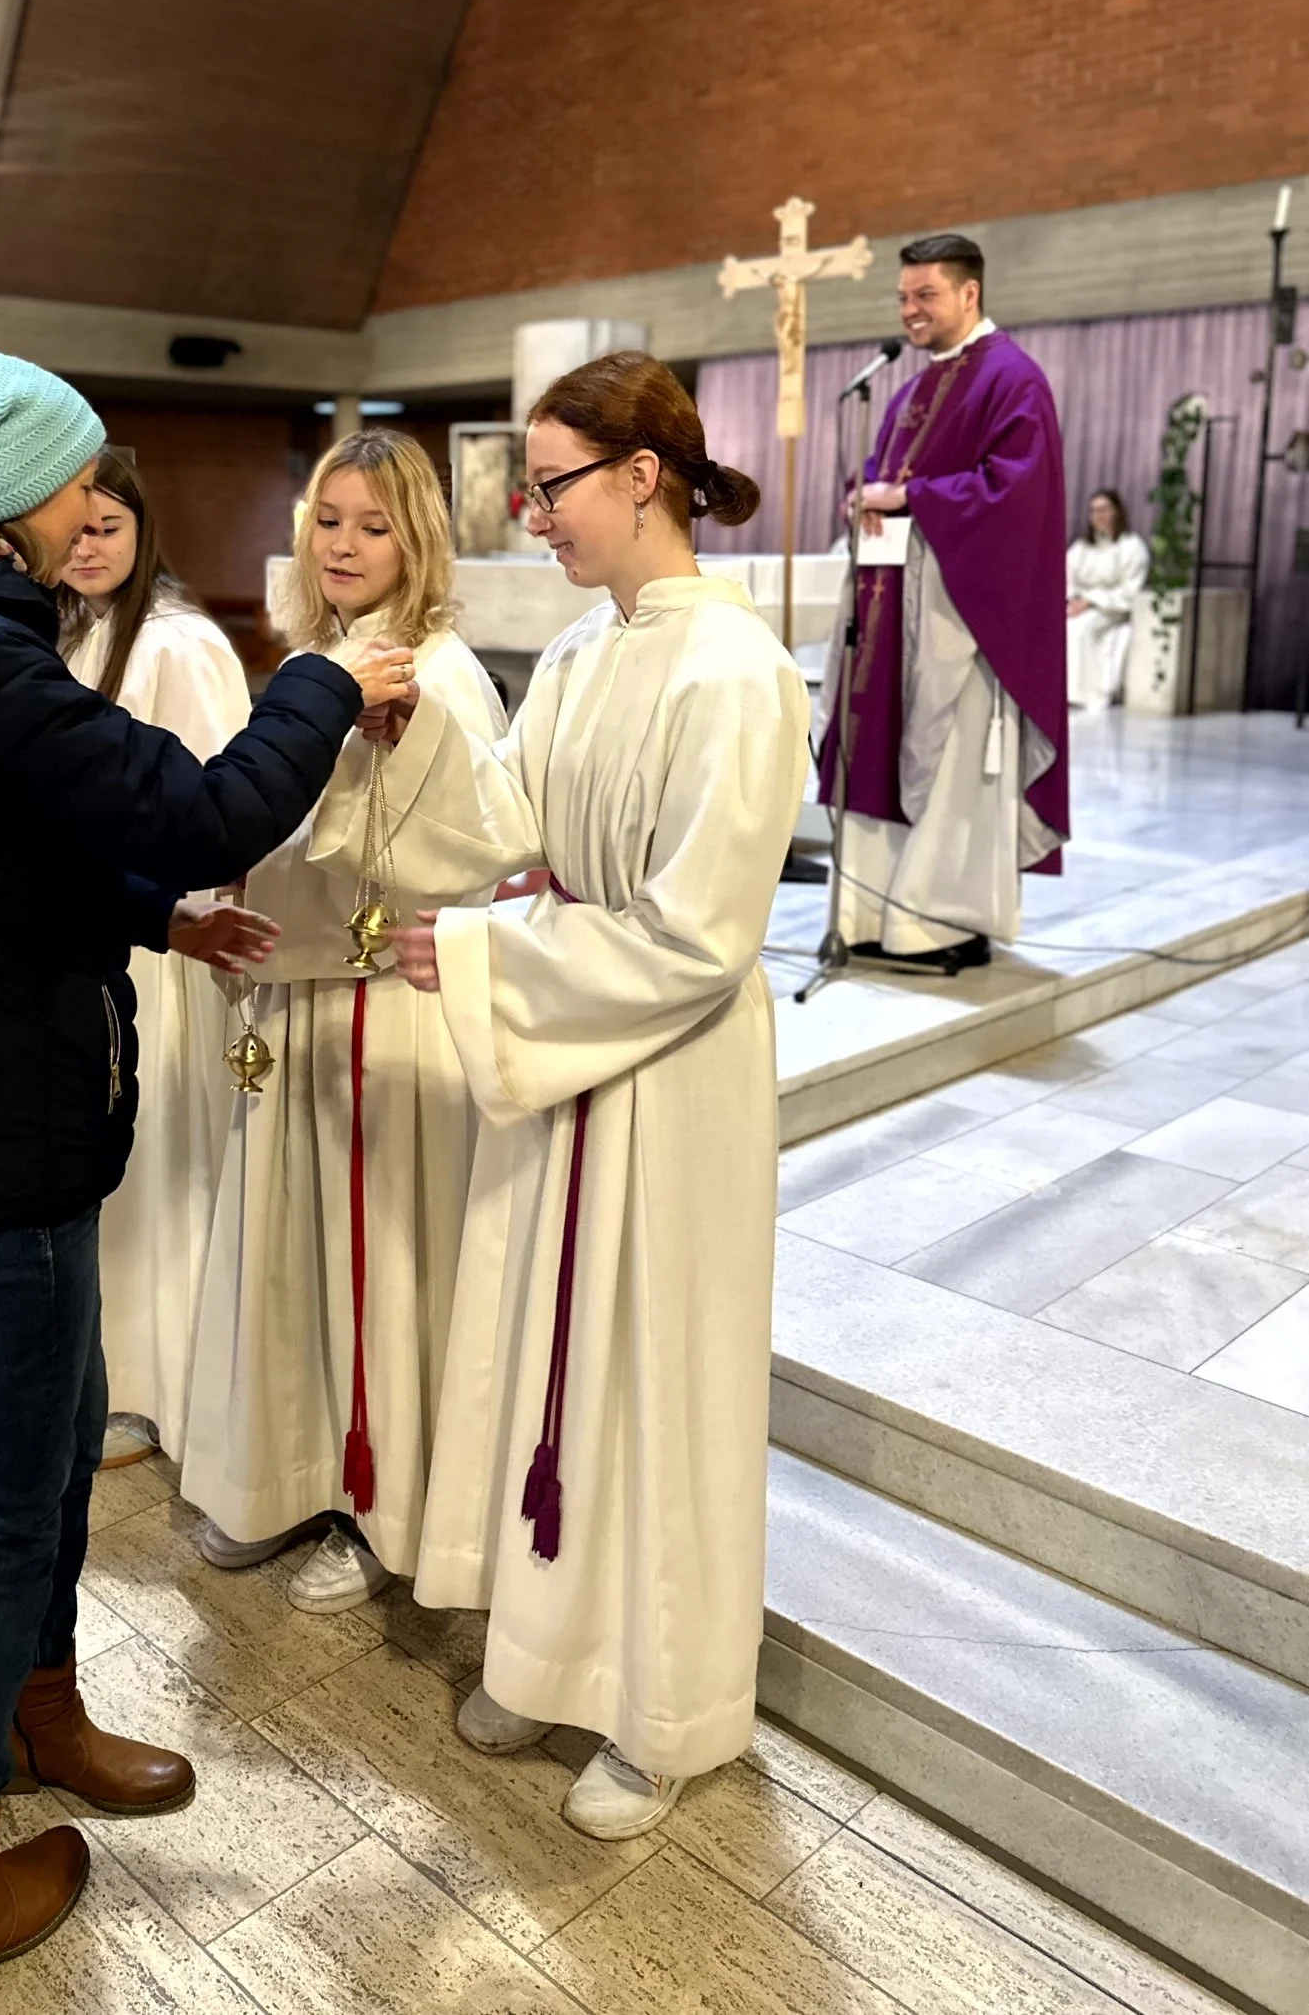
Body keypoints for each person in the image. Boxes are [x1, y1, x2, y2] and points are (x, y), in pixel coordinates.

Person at [0, 349, 412, 2013]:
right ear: (14, 485)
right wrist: (323, 681)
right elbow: (197, 807)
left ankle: (34, 1715)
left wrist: (152, 922)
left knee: (59, 1455)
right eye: (75, 475)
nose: (91, 506)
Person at [394, 351, 808, 1844]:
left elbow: (699, 937)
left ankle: (664, 1714)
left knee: (655, 1376)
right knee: (550, 1356)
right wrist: (395, 739)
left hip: (668, 1063)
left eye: (551, 483)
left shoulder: (737, 670)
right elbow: (501, 817)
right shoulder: (580, 650)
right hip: (567, 1037)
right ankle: (547, 1652)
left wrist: (491, 958)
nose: (533, 512)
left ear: (643, 477)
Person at [183, 431, 538, 1611]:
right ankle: (288, 1478)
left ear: (417, 538)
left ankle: (378, 1510)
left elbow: (482, 845)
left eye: (374, 525)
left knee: (379, 1272)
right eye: (328, 520)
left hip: (383, 1006)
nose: (344, 543)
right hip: (299, 996)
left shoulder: (437, 669)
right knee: (292, 1264)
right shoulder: (320, 654)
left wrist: (401, 739)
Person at [59, 452, 252, 1470]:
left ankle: (159, 1393)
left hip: (163, 937)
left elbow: (219, 805)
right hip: (95, 924)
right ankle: (110, 1374)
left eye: (108, 528)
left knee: (161, 1162)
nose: (88, 547)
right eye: (74, 528)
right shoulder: (66, 631)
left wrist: (187, 915)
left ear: (143, 531)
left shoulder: (179, 641)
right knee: (110, 1176)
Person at [818, 234, 1068, 974]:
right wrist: (863, 499)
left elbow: (1015, 494)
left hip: (960, 623)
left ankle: (936, 925)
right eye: (903, 297)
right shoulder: (907, 390)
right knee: (873, 752)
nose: (909, 310)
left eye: (924, 295)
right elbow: (884, 475)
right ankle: (871, 917)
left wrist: (911, 498)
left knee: (950, 764)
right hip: (888, 613)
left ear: (969, 293)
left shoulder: (1012, 379)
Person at [1066, 488, 1149, 710]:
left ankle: (1081, 693)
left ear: (1116, 512)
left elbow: (1131, 590)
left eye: (1103, 510)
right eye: (1094, 511)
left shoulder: (1131, 547)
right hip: (1078, 605)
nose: (1098, 516)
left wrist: (1090, 601)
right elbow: (1066, 577)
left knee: (1079, 629)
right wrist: (1072, 600)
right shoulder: (1081, 547)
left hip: (1110, 609)